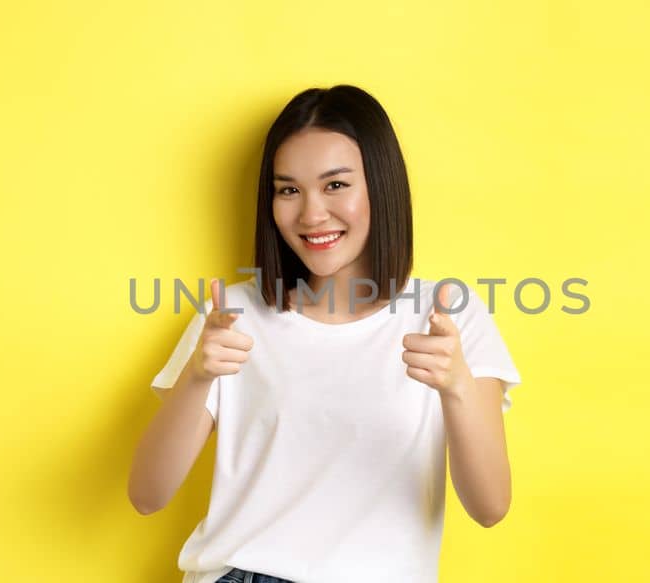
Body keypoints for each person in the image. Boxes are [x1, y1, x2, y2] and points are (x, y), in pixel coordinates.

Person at [127, 84, 522, 583]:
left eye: (335, 185)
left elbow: (490, 507)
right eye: (288, 189)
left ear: (380, 185)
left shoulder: (447, 316)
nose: (311, 214)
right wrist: (198, 377)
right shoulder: (232, 314)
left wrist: (458, 387)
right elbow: (147, 495)